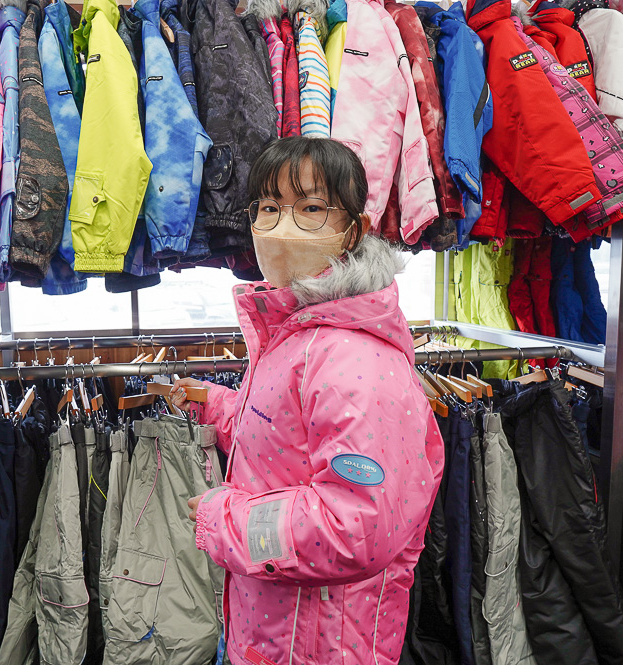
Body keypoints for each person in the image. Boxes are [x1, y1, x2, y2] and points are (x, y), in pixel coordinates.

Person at [172, 136, 445, 665]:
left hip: (320, 643)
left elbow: (356, 526)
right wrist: (219, 405)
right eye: (269, 208)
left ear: (353, 231)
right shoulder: (302, 331)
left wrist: (222, 518)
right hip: (276, 630)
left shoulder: (349, 356)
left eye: (311, 208)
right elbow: (287, 438)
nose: (282, 226)